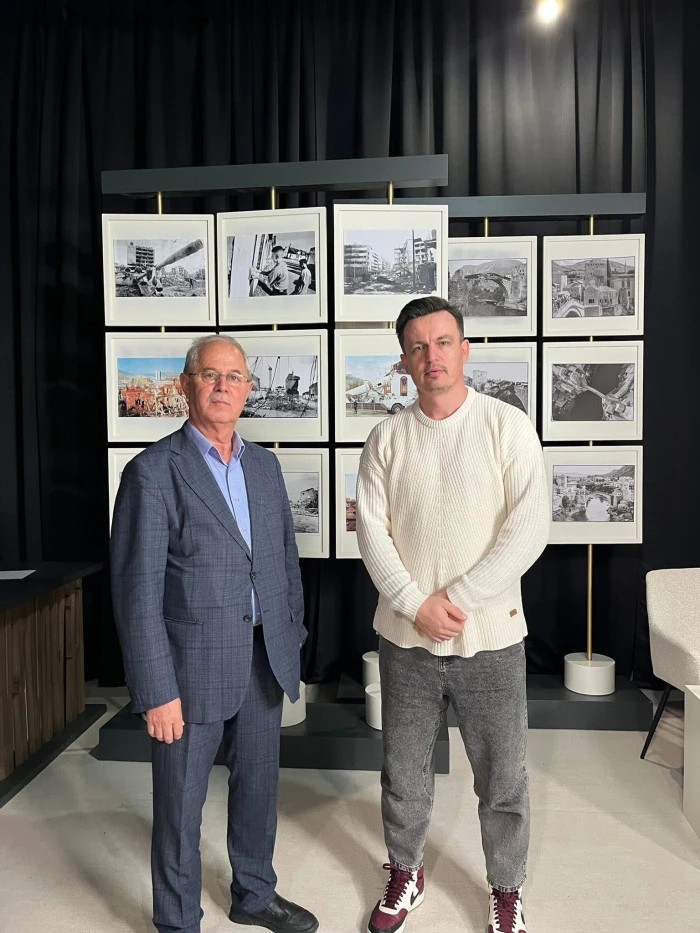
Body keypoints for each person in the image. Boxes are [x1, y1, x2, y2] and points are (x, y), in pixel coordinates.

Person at [110, 334, 319, 933]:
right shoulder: (152, 473)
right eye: (209, 375)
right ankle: (178, 921)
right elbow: (136, 593)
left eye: (234, 377)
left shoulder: (264, 466)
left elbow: (282, 562)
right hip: (187, 668)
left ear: (248, 389)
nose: (223, 386)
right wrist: (155, 691)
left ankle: (254, 894)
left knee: (258, 790)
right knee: (180, 804)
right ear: (186, 386)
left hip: (262, 659)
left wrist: (291, 637)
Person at [356, 296, 549, 933]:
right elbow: (373, 535)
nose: (431, 356)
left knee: (502, 778)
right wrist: (416, 604)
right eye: (417, 346)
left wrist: (458, 600)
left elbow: (529, 528)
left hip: (491, 638)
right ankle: (405, 872)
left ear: (464, 350)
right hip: (405, 641)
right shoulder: (386, 438)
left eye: (443, 342)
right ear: (404, 360)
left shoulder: (507, 426)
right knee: (403, 774)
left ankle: (506, 889)